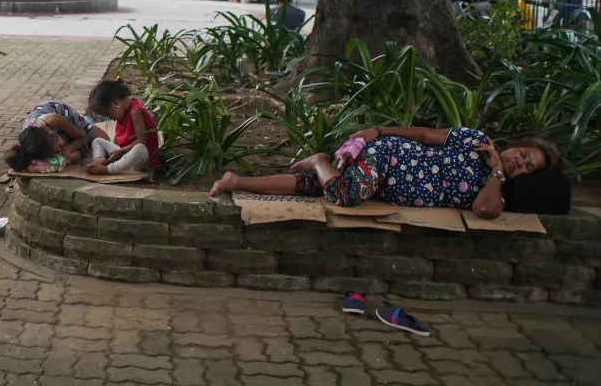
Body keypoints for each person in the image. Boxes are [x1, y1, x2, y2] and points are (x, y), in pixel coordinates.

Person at [208, 126, 561, 219]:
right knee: (344, 194)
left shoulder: (496, 188)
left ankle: (236, 181)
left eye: (528, 167)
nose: (521, 162)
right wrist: (377, 132)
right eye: (523, 154)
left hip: (383, 186)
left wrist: (497, 173)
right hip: (389, 156)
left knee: (315, 187)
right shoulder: (476, 139)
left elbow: (484, 210)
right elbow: (424, 135)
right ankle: (318, 160)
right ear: (518, 145)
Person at [6, 100, 110, 170]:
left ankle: (83, 122)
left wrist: (68, 148)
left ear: (53, 134)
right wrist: (68, 155)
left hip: (62, 114)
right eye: (57, 151)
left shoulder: (54, 119)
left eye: (60, 147)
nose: (60, 149)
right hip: (49, 136)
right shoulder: (32, 147)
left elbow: (81, 138)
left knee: (105, 139)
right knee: (76, 152)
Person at [85, 79, 159, 175]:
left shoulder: (135, 112)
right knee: (97, 141)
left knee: (140, 148)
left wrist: (120, 151)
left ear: (116, 103)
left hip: (141, 159)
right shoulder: (122, 111)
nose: (112, 119)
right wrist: (114, 153)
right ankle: (99, 160)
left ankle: (109, 169)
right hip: (125, 154)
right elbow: (118, 136)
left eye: (109, 115)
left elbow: (142, 141)